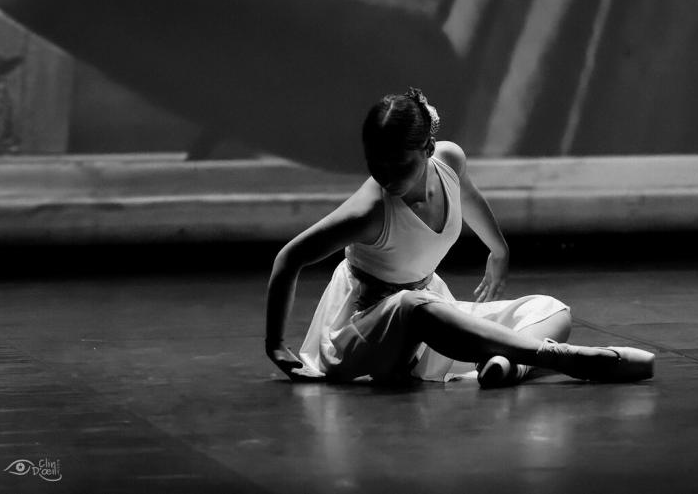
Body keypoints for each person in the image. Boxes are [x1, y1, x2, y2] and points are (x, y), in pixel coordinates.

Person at [265, 88, 654, 387]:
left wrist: (498, 250)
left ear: (428, 149)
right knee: (414, 306)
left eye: (399, 166)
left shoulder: (449, 161)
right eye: (375, 165)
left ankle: (509, 365)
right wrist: (275, 345)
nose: (385, 177)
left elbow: (469, 200)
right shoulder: (369, 211)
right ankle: (561, 359)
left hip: (433, 311)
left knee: (551, 310)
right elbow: (289, 258)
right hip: (367, 333)